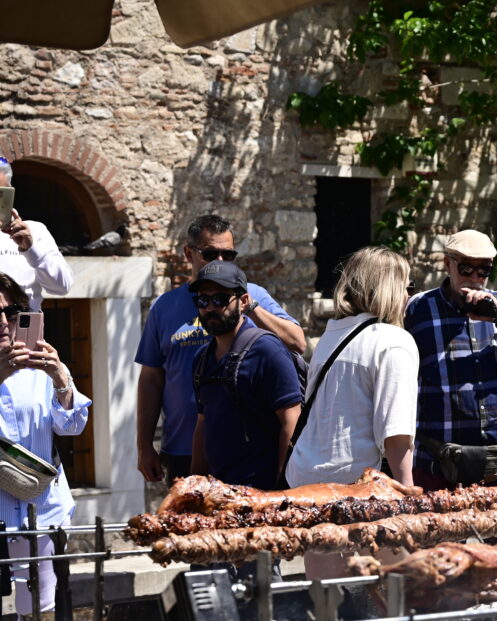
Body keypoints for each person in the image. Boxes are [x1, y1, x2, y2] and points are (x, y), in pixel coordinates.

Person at [136, 214, 304, 485]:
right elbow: (151, 378)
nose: (220, 262)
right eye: (211, 253)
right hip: (182, 447)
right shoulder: (164, 307)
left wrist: (248, 306)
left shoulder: (252, 296)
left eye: (228, 255)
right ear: (189, 253)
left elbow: (297, 343)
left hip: (249, 454)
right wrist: (144, 445)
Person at [285, 247, 418, 579]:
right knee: (397, 594)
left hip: (307, 480)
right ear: (388, 287)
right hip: (355, 488)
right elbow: (395, 432)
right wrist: (407, 501)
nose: (407, 296)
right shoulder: (394, 342)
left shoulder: (332, 336)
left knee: (328, 596)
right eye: (407, 286)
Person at [0, 273, 90, 621]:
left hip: (42, 510)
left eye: (10, 313)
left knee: (37, 613)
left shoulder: (39, 368)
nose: (2, 321)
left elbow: (73, 425)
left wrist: (60, 379)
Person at [405, 229, 497, 490]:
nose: (475, 279)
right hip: (438, 465)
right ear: (447, 264)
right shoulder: (418, 309)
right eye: (466, 268)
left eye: (483, 271)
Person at [189, 261, 302, 489]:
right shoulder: (202, 359)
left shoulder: (267, 350)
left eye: (220, 299)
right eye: (203, 300)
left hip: (261, 497)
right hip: (220, 496)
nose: (210, 308)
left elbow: (291, 421)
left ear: (242, 302)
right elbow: (203, 424)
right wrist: (194, 485)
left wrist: (280, 490)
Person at [0, 158, 73, 311]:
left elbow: (62, 287)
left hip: (23, 332)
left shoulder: (35, 230)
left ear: (10, 192)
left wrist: (31, 249)